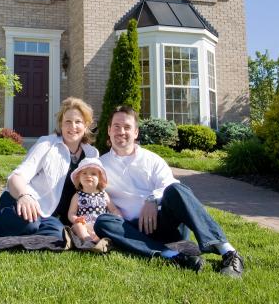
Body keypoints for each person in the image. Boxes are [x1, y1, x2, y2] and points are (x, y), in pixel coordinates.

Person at [95, 105, 245, 278]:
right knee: (103, 222)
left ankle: (229, 253)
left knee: (177, 189)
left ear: (136, 132)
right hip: (132, 230)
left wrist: (153, 199)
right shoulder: (100, 165)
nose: (121, 131)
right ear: (109, 130)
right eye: (116, 126)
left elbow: (169, 184)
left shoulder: (152, 159)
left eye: (127, 127)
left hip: (165, 224)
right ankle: (175, 256)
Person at [0, 97, 99, 245]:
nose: (73, 127)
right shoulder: (47, 144)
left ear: (86, 125)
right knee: (29, 224)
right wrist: (25, 196)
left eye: (78, 122)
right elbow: (16, 177)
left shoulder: (91, 154)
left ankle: (7, 225)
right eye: (68, 122)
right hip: (21, 199)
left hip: (47, 214)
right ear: (61, 124)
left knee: (57, 234)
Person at [67, 157, 121, 247]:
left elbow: (113, 209)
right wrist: (76, 219)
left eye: (93, 174)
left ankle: (98, 240)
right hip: (84, 225)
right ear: (79, 178)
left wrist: (119, 217)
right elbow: (71, 213)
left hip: (100, 226)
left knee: (108, 227)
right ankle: (87, 240)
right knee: (78, 226)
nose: (88, 176)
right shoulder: (77, 196)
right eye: (84, 173)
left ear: (100, 179)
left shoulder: (103, 195)